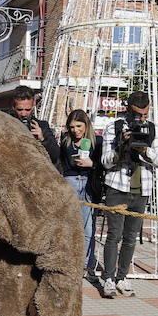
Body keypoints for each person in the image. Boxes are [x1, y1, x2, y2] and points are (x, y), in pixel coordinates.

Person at [97, 91, 158, 298]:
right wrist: (121, 147)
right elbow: (105, 162)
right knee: (113, 236)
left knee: (131, 237)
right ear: (128, 110)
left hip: (140, 186)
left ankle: (122, 277)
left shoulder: (154, 130)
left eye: (145, 114)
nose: (142, 119)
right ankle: (108, 278)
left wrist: (146, 151)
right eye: (137, 115)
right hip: (117, 186)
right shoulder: (113, 127)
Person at [59, 108, 103, 276]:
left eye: (79, 126)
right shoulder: (65, 141)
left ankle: (85, 263)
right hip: (70, 182)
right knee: (69, 225)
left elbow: (103, 165)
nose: (75, 130)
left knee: (87, 227)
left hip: (88, 183)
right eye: (72, 127)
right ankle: (68, 260)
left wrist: (92, 164)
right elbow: (60, 162)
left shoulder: (97, 141)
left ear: (86, 125)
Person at [8, 85, 59, 165]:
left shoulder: (42, 126)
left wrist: (42, 139)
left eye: (28, 109)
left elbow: (55, 155)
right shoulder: (6, 124)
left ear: (33, 106)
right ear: (13, 107)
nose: (24, 114)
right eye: (20, 109)